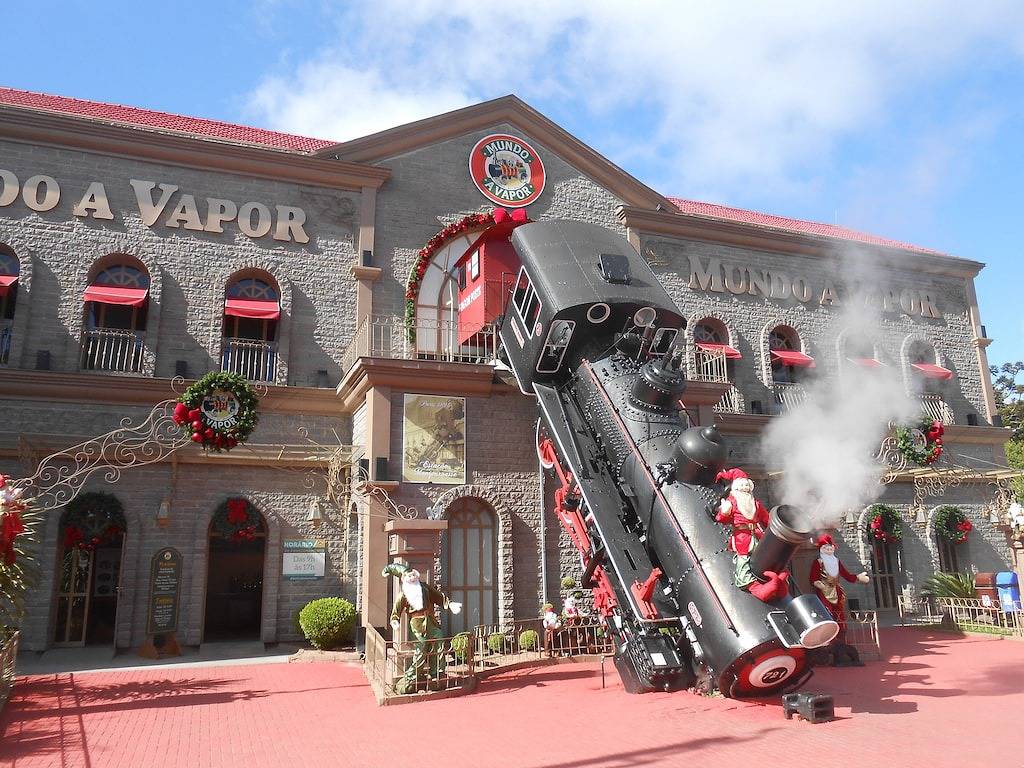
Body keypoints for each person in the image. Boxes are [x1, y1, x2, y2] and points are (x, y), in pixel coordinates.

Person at [383, 562, 462, 693]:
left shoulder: (424, 588)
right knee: (421, 649)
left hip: (430, 620)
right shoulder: (403, 595)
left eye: (413, 574)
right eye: (408, 576)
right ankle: (411, 677)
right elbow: (396, 611)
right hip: (416, 624)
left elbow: (438, 596)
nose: (412, 577)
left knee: (439, 641)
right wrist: (394, 621)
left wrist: (450, 604)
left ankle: (437, 673)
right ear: (404, 579)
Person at [715, 468, 788, 601]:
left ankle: (776, 582)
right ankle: (755, 588)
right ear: (736, 487)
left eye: (746, 485)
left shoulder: (755, 504)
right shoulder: (731, 502)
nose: (744, 488)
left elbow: (766, 519)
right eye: (741, 485)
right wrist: (724, 512)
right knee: (743, 561)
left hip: (756, 535)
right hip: (742, 536)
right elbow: (722, 519)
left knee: (767, 558)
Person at [809, 534, 870, 666]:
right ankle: (827, 645)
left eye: (831, 547)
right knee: (827, 617)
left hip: (837, 592)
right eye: (826, 548)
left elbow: (846, 575)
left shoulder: (836, 561)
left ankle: (840, 644)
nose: (829, 550)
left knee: (840, 618)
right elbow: (813, 578)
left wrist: (858, 577)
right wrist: (819, 584)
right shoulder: (818, 562)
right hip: (824, 593)